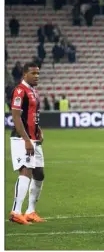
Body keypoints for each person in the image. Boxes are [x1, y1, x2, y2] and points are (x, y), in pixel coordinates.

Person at [9, 62, 45, 225]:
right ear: (24, 74)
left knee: (39, 173)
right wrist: (26, 139)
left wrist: (39, 130)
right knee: (26, 171)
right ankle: (16, 211)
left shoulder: (34, 92)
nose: (37, 76)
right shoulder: (20, 90)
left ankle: (30, 211)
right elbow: (16, 116)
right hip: (22, 138)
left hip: (34, 138)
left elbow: (34, 116)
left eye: (38, 73)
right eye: (33, 74)